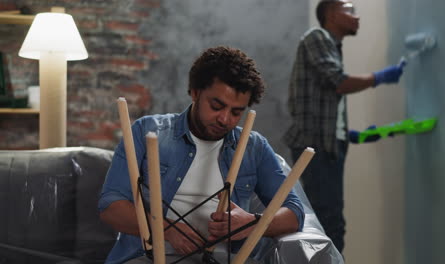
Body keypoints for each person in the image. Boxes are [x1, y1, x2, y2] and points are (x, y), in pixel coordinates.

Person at [98, 46, 305, 264]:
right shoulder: (147, 131)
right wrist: (166, 229)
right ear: (195, 92)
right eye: (217, 106)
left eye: (236, 112)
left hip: (224, 259)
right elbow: (110, 206)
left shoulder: (254, 147)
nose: (225, 119)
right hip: (149, 258)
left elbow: (294, 213)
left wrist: (252, 223)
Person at [283, 0, 405, 253]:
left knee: (329, 219)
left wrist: (346, 135)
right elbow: (337, 82)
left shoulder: (332, 46)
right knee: (329, 222)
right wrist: (379, 77)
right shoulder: (317, 36)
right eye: (350, 10)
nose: (356, 17)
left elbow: (324, 102)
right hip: (314, 147)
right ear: (330, 14)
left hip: (326, 144)